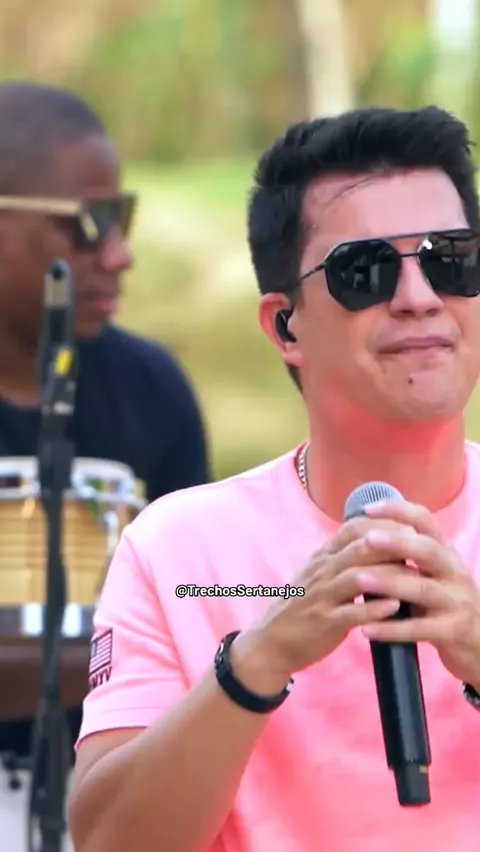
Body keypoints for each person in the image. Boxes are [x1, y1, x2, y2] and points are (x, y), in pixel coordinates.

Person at [69, 106, 480, 852]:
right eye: (365, 271)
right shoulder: (179, 550)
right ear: (286, 325)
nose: (420, 296)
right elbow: (109, 841)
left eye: (451, 258)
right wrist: (256, 661)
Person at [0, 83, 209, 768]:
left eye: (122, 220)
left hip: (110, 794)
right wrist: (131, 655)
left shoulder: (153, 389)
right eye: (90, 223)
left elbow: (197, 613)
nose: (118, 255)